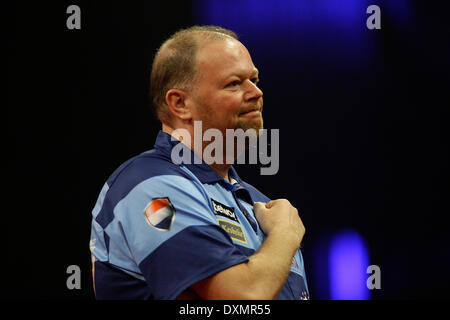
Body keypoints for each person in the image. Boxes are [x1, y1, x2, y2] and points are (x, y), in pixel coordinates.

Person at [89, 25, 309, 300]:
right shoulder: (150, 185)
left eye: (254, 80)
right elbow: (244, 299)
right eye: (234, 83)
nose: (256, 93)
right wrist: (286, 234)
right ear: (180, 103)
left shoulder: (258, 203)